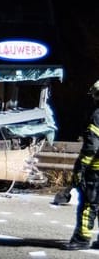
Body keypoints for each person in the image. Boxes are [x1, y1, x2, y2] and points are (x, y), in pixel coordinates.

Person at [62, 80, 99, 250]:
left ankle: (82, 238)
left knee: (89, 204)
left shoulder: (97, 115)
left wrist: (81, 168)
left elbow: (92, 146)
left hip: (96, 169)